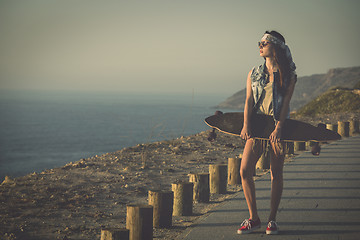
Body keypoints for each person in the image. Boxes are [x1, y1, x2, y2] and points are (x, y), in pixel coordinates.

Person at [237, 31, 297, 235]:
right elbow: (248, 100)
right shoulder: (253, 73)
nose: (260, 46)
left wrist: (279, 127)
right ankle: (254, 218)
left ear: (276, 46)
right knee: (244, 171)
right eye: (259, 43)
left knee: (276, 173)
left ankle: (272, 220)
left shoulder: (289, 75)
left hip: (278, 126)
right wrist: (246, 125)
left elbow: (286, 103)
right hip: (258, 125)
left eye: (264, 43)